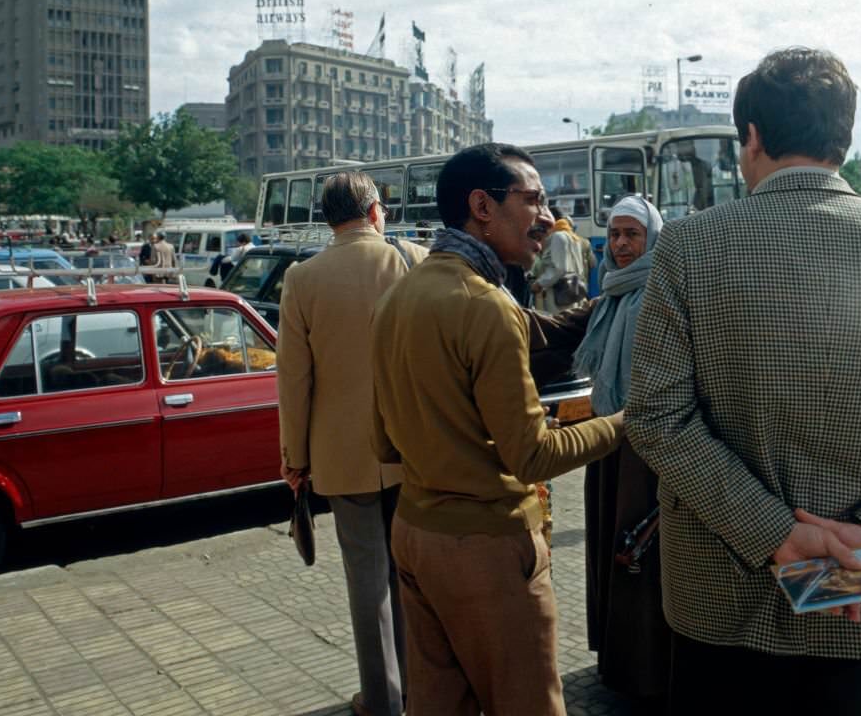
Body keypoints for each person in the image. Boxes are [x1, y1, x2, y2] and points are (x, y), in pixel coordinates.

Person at [626, 48, 861, 716]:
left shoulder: (690, 247)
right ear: (842, 138)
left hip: (723, 599)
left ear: (750, 136)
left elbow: (655, 417)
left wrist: (776, 535)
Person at [371, 142, 624, 716]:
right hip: (485, 548)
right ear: (482, 206)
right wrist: (621, 423)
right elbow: (531, 455)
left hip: (413, 534)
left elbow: (381, 441)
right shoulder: (487, 306)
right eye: (533, 200)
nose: (546, 218)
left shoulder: (397, 297)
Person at [277, 172, 426, 716]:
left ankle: (382, 700)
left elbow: (294, 378)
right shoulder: (411, 259)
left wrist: (295, 458)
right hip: (415, 447)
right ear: (375, 210)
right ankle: (421, 687)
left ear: (327, 218)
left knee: (368, 581)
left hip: (343, 454)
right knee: (412, 571)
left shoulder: (303, 277)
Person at [572, 195, 670, 709]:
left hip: (646, 448)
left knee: (640, 552)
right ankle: (614, 657)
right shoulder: (609, 293)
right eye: (614, 235)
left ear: (652, 236)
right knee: (611, 546)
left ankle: (646, 670)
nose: (622, 245)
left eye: (632, 235)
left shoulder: (662, 289)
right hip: (608, 440)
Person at [531, 206, 597, 313]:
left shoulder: (558, 236)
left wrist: (539, 283)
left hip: (557, 296)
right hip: (571, 292)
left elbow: (559, 269)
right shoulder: (573, 237)